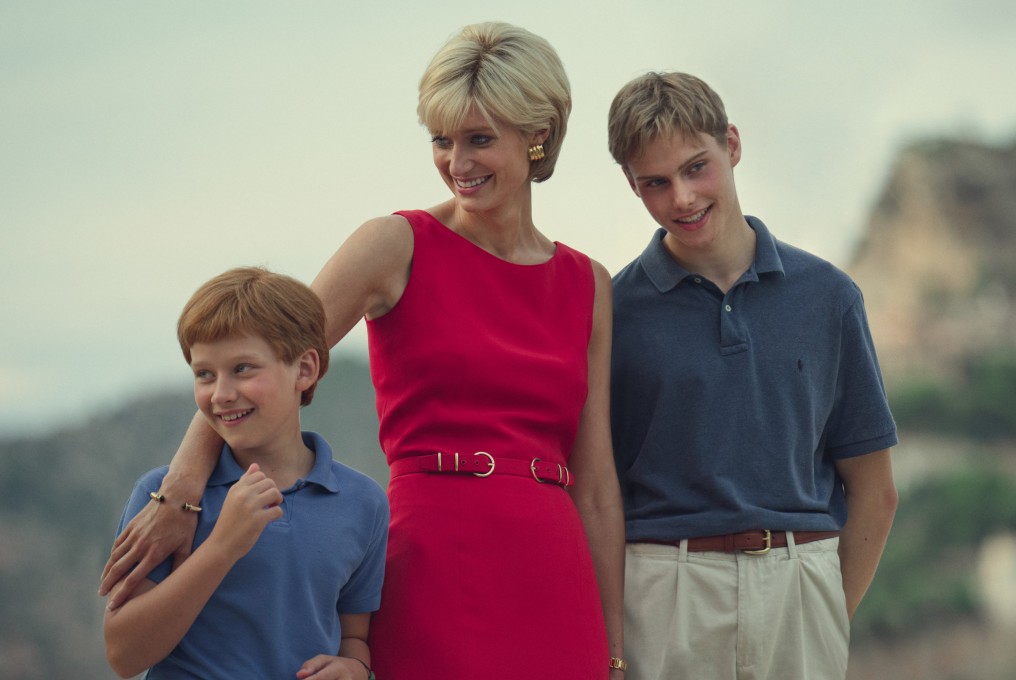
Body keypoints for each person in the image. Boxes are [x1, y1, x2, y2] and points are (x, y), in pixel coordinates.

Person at [99, 23, 626, 680]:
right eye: (441, 139)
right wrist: (179, 494)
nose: (456, 161)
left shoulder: (589, 283)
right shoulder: (394, 244)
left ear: (538, 134)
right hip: (435, 557)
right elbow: (260, 364)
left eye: (479, 139)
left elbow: (598, 485)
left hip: (555, 572)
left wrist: (614, 645)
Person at [606, 72, 899, 680]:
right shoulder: (612, 313)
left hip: (801, 582)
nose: (681, 198)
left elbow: (874, 489)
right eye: (655, 183)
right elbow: (596, 492)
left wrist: (825, 612)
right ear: (632, 185)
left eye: (696, 168)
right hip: (664, 591)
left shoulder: (829, 296)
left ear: (732, 145)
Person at [103, 267, 389, 679]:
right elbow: (123, 655)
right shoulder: (163, 498)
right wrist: (222, 546)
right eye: (204, 374)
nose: (220, 394)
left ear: (305, 370)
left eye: (242, 369)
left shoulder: (363, 503)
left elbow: (354, 635)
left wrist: (355, 667)